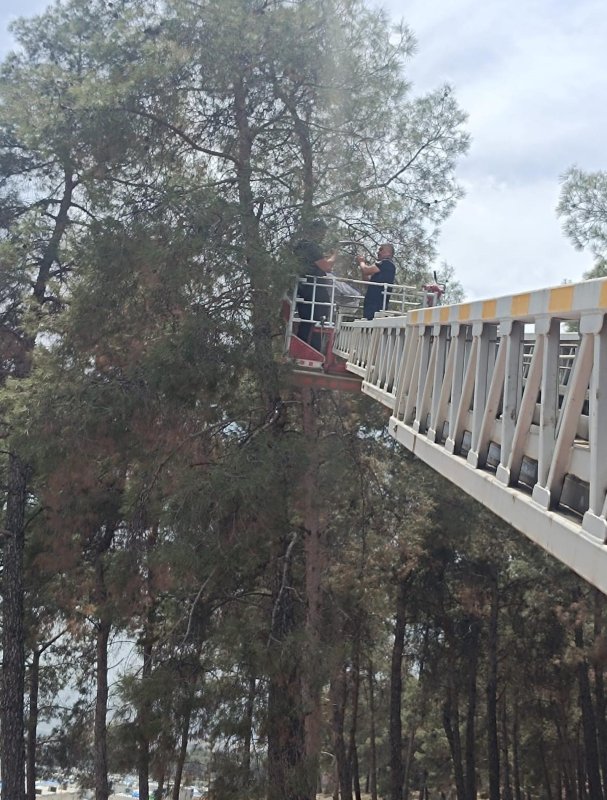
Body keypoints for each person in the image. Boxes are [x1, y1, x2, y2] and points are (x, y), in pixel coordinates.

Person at [294, 222, 336, 351]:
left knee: (308, 320)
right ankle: (313, 349)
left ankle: (304, 348)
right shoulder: (310, 246)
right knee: (317, 319)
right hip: (313, 289)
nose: (322, 237)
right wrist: (334, 255)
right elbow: (326, 267)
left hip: (304, 288)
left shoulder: (300, 246)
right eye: (322, 233)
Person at [357, 243, 396, 319]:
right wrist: (364, 270)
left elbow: (366, 270)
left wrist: (361, 262)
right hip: (371, 303)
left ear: (388, 253)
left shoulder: (386, 263)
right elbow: (367, 282)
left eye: (381, 250)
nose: (378, 252)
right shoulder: (382, 268)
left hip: (376, 305)